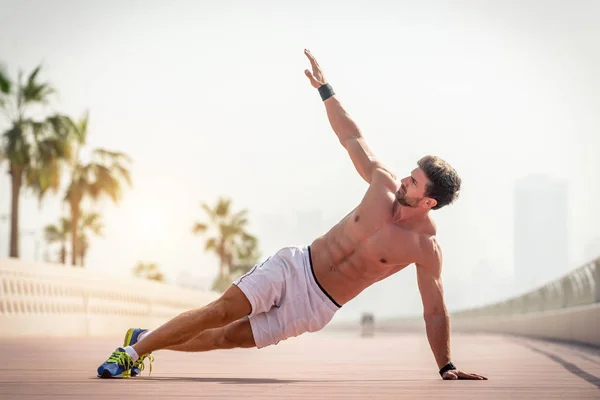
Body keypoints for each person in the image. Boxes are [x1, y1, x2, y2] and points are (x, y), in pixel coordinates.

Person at [97, 49, 487, 381]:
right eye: (410, 174)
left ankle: (143, 340)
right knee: (218, 312)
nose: (404, 180)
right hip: (296, 267)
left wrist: (447, 365)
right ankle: (129, 354)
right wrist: (325, 90)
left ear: (429, 203)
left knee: (227, 338)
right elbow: (352, 139)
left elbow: (434, 310)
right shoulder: (382, 184)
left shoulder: (425, 249)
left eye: (414, 183)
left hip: (317, 306)